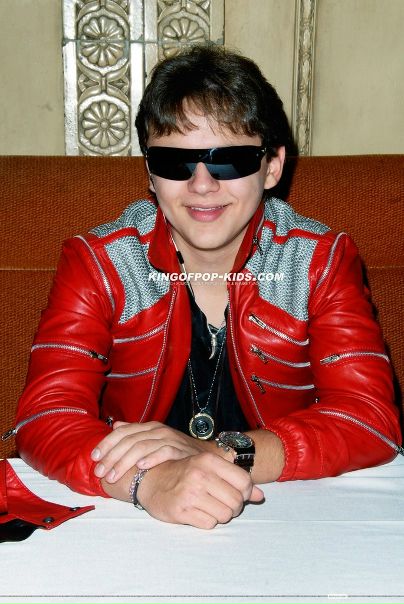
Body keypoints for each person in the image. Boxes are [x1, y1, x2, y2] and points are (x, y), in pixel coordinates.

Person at [12, 44, 402, 529]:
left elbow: (369, 418)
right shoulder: (99, 262)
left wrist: (211, 452)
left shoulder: (319, 261)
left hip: (289, 513)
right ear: (150, 172)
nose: (201, 184)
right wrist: (150, 481)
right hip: (132, 522)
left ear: (272, 166)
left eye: (229, 160)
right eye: (175, 162)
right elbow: (44, 417)